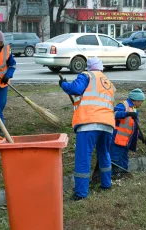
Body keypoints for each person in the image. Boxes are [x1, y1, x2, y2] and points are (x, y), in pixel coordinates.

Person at [59, 57, 115, 200]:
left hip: (89, 122)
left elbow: (75, 89)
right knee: (104, 154)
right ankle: (106, 184)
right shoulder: (109, 83)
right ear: (101, 68)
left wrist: (64, 84)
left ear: (89, 68)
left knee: (83, 157)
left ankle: (81, 193)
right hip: (108, 124)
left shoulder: (87, 76)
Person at [109, 88, 146, 172]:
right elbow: (113, 114)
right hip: (116, 141)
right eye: (141, 101)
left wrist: (142, 137)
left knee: (124, 163)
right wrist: (127, 114)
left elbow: (133, 127)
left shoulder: (133, 109)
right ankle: (115, 178)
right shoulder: (123, 105)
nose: (141, 104)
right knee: (115, 163)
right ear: (136, 101)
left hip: (125, 143)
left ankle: (123, 178)